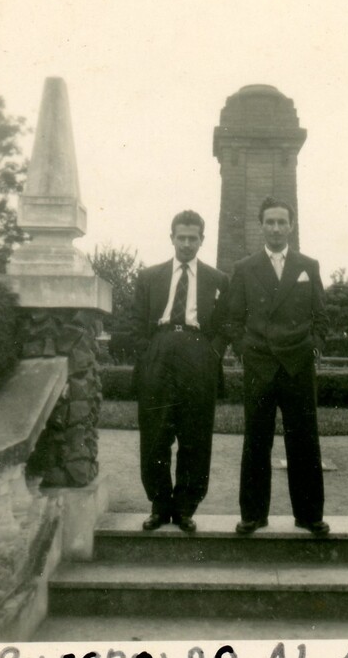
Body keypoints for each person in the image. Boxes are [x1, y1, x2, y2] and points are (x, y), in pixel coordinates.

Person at [228, 196, 330, 536]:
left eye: (281, 222)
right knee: (256, 441)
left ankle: (309, 515)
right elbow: (233, 319)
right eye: (269, 222)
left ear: (291, 226)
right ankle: (253, 514)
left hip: (298, 364)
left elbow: (321, 316)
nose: (275, 228)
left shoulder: (308, 266)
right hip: (260, 365)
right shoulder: (244, 268)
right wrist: (244, 350)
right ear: (261, 226)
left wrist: (314, 347)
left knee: (305, 440)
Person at [131, 210, 229, 533]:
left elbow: (225, 325)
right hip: (158, 351)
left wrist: (212, 354)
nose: (187, 244)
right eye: (181, 237)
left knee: (195, 435)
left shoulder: (218, 279)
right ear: (171, 238)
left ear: (202, 240)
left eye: (193, 238)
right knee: (155, 433)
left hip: (198, 352)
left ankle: (186, 507)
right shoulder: (149, 276)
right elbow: (135, 322)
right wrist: (147, 354)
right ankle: (159, 506)